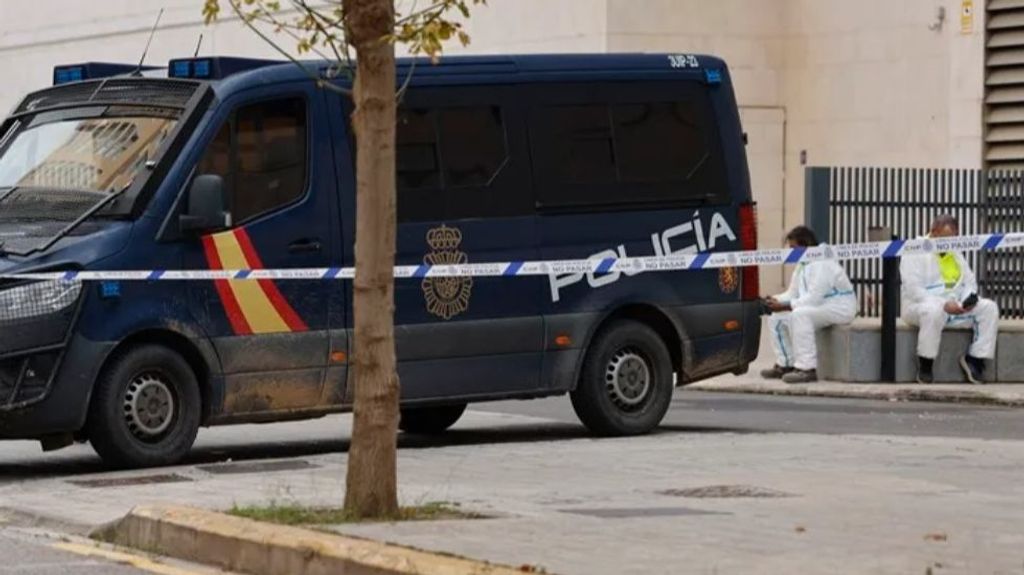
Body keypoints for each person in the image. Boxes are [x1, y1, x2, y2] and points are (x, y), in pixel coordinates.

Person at [900, 215, 998, 384]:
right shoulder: (914, 249)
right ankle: (925, 364)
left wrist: (969, 299)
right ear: (933, 232)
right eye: (944, 238)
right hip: (921, 306)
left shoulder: (955, 251)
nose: (948, 243)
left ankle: (974, 360)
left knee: (989, 308)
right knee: (933, 312)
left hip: (955, 308)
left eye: (952, 238)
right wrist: (944, 304)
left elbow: (969, 281)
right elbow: (913, 289)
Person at [761, 226, 857, 383]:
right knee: (776, 317)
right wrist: (773, 300)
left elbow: (814, 298)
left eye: (794, 247)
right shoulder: (803, 264)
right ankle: (785, 364)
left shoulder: (822, 263)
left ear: (805, 244)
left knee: (800, 315)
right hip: (820, 306)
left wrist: (785, 305)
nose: (791, 252)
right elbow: (792, 293)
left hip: (840, 307)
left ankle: (807, 369)